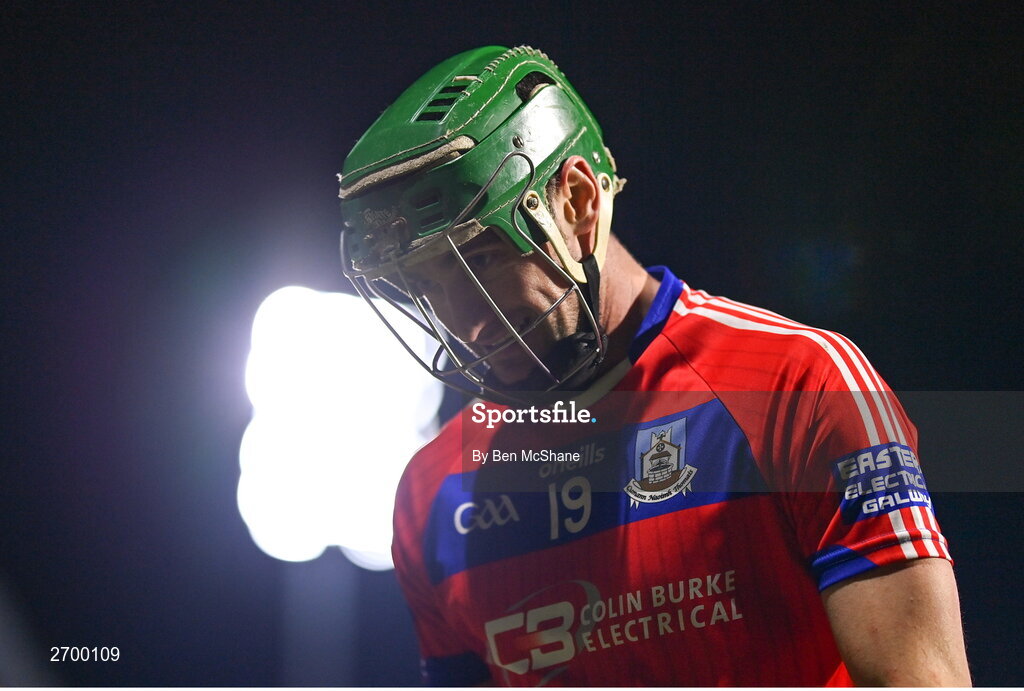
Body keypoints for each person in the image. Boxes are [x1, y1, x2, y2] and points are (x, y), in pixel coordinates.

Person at [338, 45, 970, 686]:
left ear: (578, 201)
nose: (463, 323)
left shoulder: (799, 386)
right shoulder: (430, 495)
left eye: (478, 262)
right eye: (422, 287)